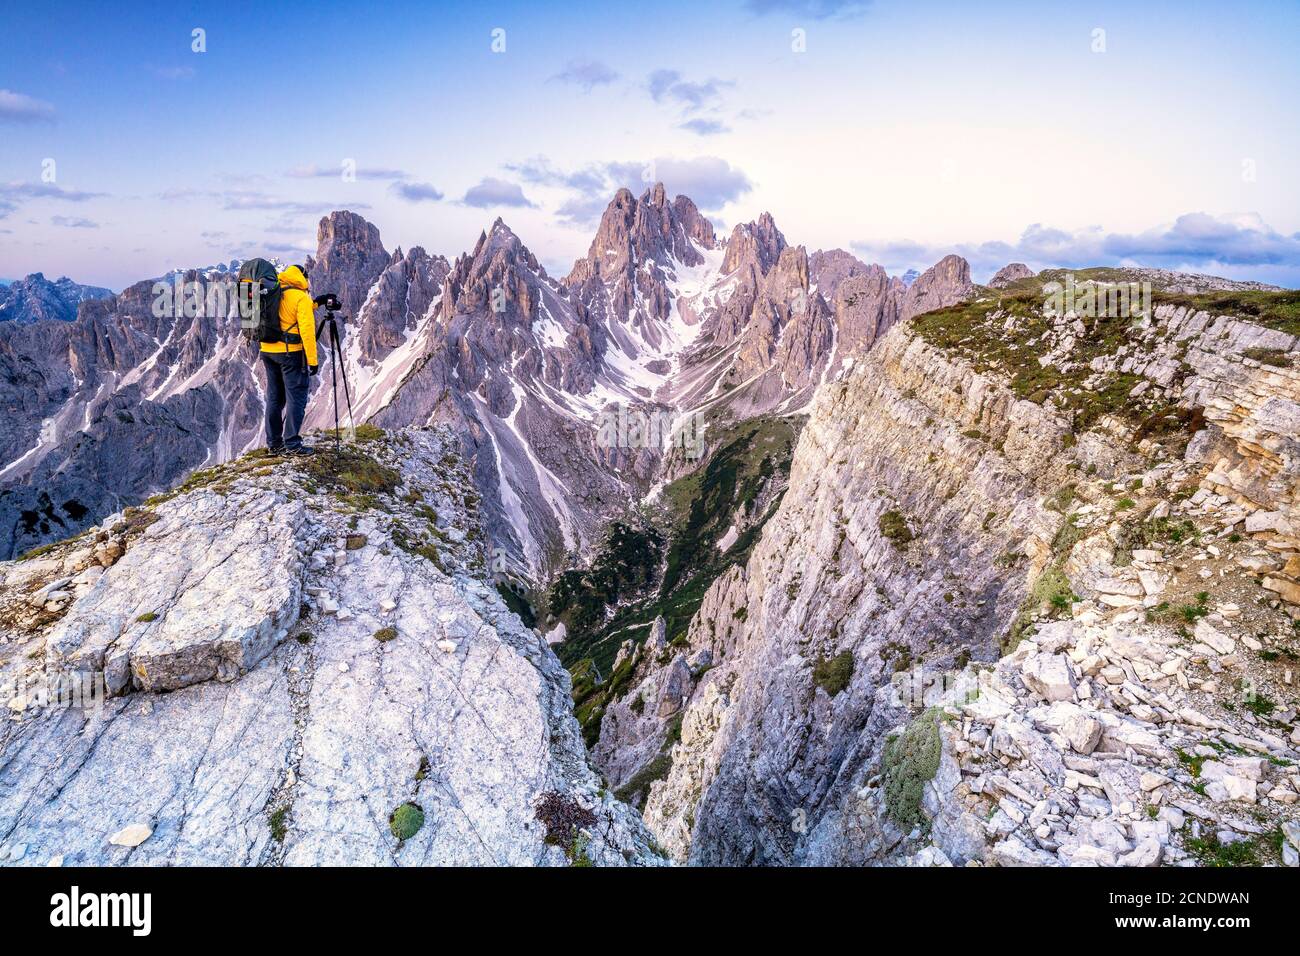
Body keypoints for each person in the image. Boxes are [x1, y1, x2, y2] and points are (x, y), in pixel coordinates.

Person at [260, 264, 319, 455]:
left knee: (275, 398)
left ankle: (274, 444)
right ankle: (292, 443)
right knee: (296, 398)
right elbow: (307, 333)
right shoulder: (300, 297)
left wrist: (316, 303)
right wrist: (312, 361)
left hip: (267, 350)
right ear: (302, 277)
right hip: (290, 354)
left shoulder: (276, 290)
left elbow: (286, 312)